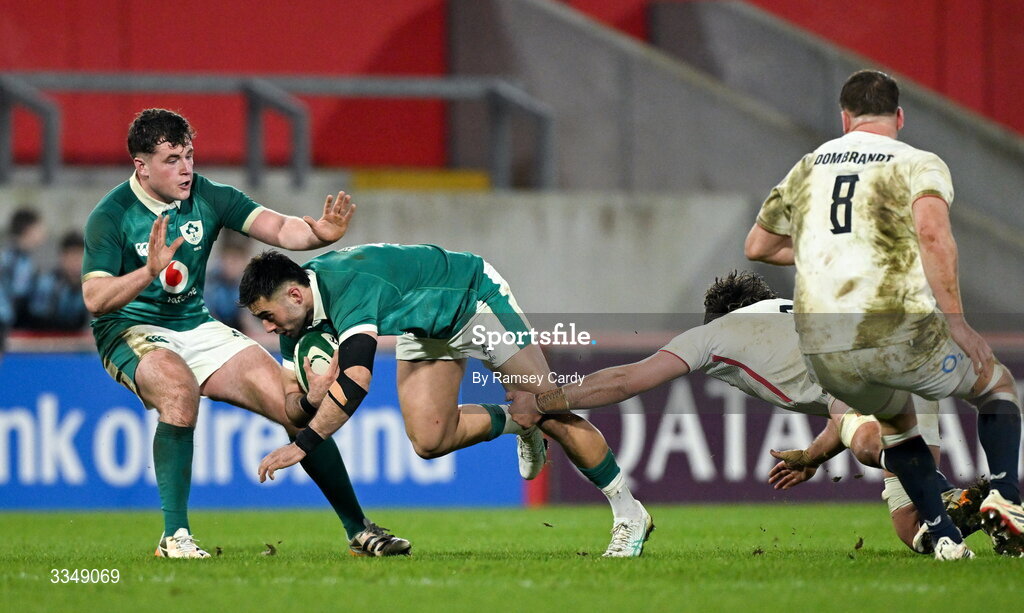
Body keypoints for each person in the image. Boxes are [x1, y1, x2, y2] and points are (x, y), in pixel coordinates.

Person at [82, 108, 409, 559]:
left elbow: (274, 226)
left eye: (190, 156)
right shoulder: (111, 215)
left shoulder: (208, 195)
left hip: (195, 325)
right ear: (141, 166)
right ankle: (174, 537)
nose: (186, 168)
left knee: (296, 407)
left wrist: (317, 234)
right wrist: (148, 272)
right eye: (172, 159)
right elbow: (96, 300)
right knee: (179, 393)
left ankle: (359, 530)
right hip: (129, 328)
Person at [744, 70, 1023, 560]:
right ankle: (1008, 497)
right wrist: (956, 320)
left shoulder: (808, 166)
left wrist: (830, 248)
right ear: (898, 116)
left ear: (845, 118)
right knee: (995, 385)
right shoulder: (917, 162)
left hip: (823, 351)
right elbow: (934, 235)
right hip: (894, 330)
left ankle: (945, 538)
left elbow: (758, 246)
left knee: (897, 424)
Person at [507, 270, 979, 554]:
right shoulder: (797, 309)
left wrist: (548, 399)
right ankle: (993, 514)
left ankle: (954, 495)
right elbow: (843, 407)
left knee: (866, 443)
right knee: (909, 527)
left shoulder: (714, 334)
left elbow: (626, 380)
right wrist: (814, 457)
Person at [238, 245, 654, 557]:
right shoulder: (296, 319)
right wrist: (310, 401)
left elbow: (357, 379)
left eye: (267, 316)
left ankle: (629, 513)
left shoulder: (348, 288)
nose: (267, 327)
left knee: (551, 409)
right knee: (430, 440)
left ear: (295, 295)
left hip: (471, 299)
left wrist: (303, 444)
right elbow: (290, 396)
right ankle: (518, 421)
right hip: (423, 326)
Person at [26, 231, 91, 331]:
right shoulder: (46, 284)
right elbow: (36, 320)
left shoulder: (89, 286)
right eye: (72, 257)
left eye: (80, 257)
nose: (76, 263)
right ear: (62, 258)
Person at [0, 206, 46, 328]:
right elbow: (15, 295)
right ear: (28, 229)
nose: (43, 233)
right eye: (39, 228)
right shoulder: (12, 260)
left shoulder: (25, 260)